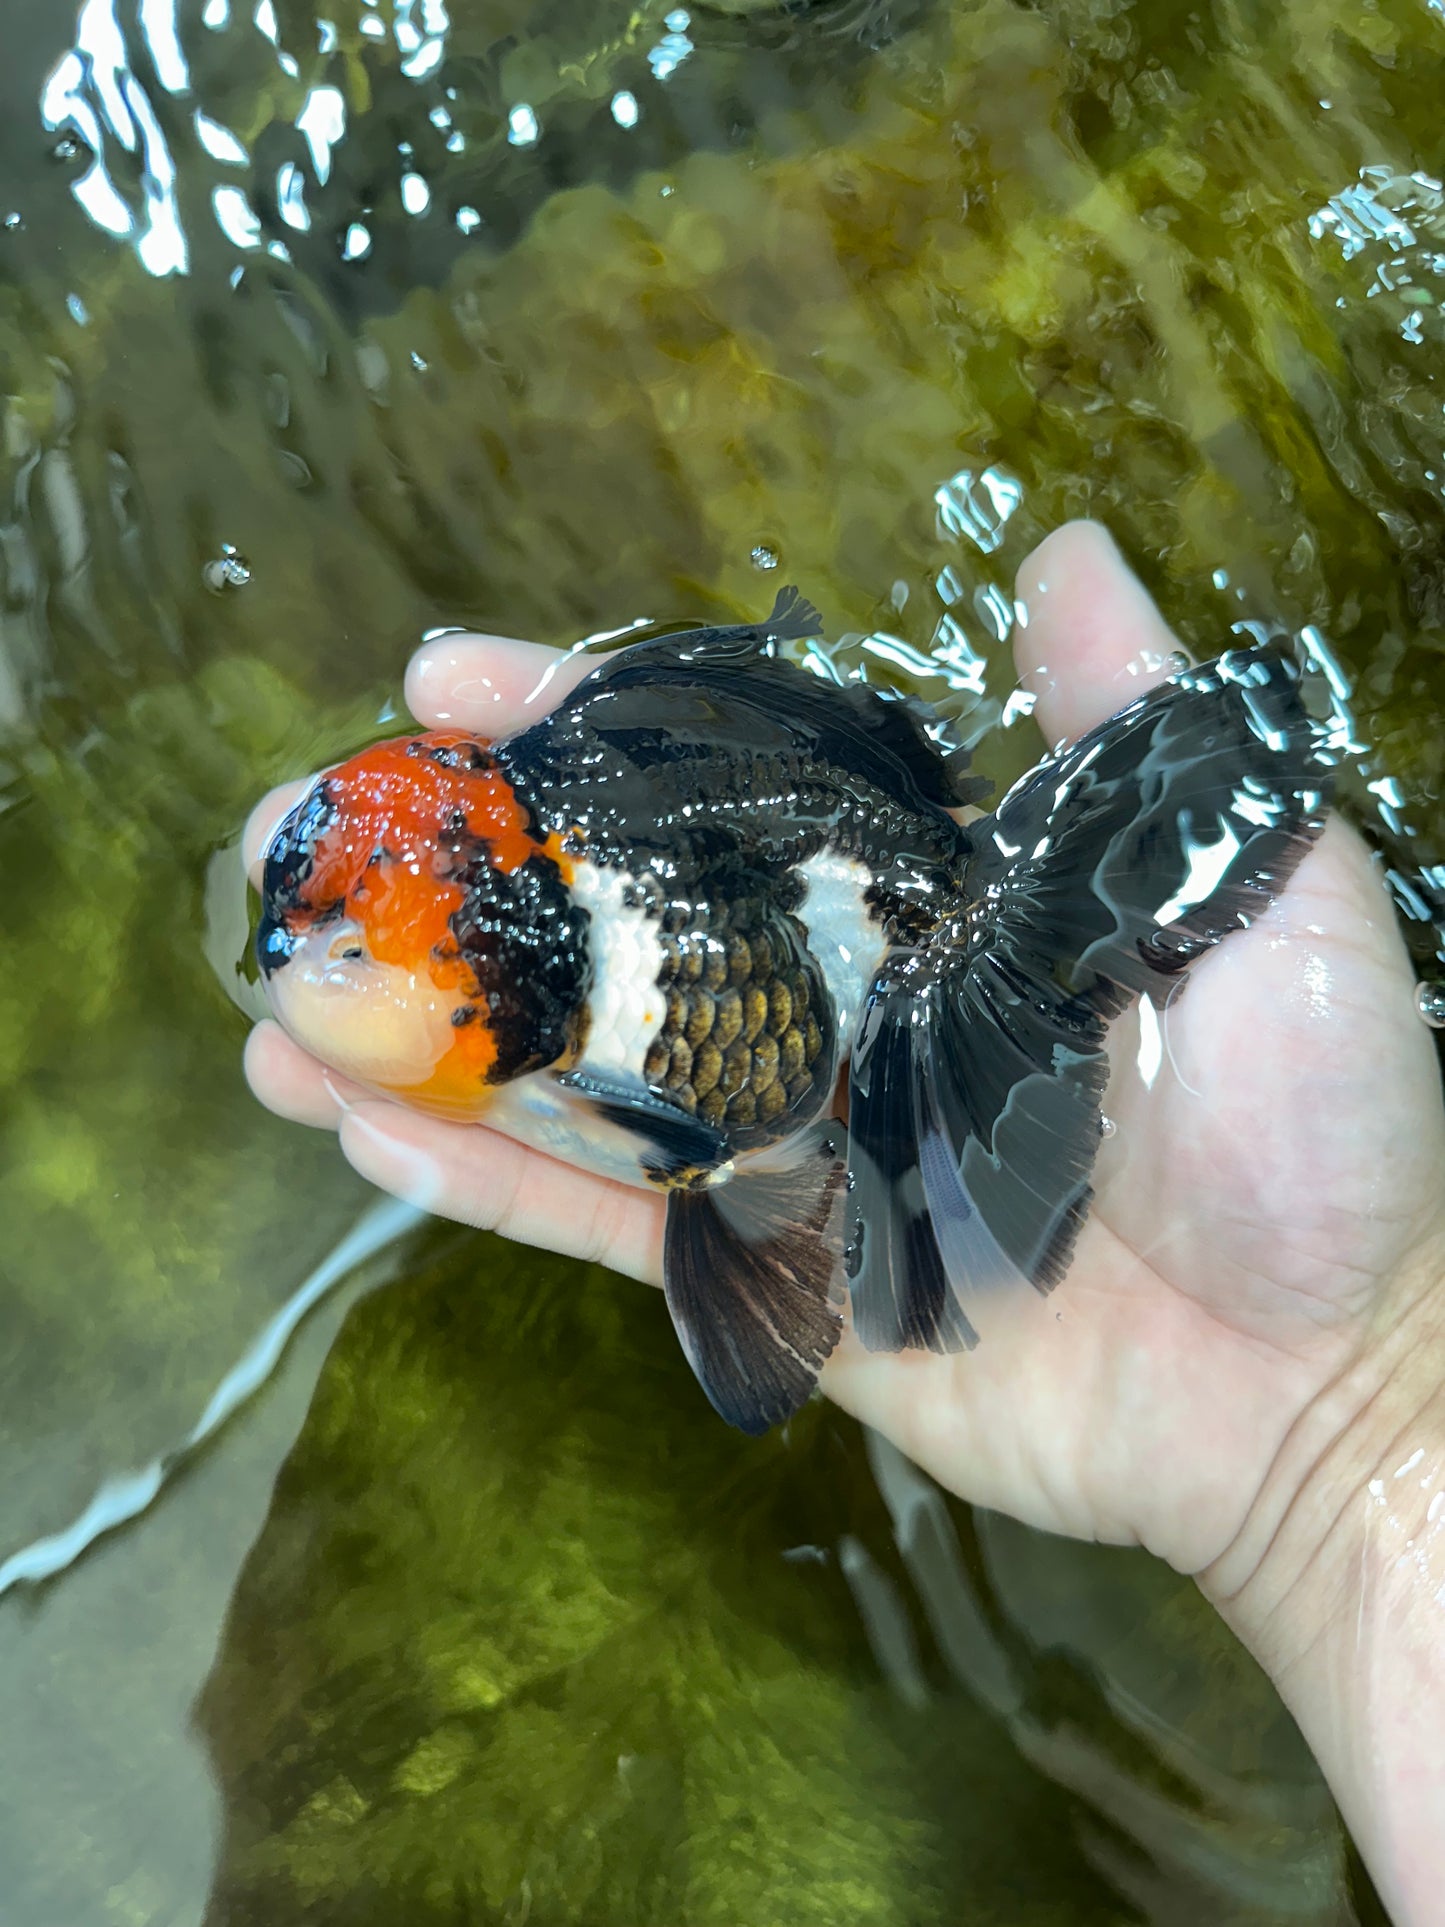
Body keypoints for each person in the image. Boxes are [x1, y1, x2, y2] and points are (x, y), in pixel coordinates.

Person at [244, 522, 1445, 1925]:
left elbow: (707, 1141)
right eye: (305, 939)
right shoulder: (543, 958)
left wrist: (1370, 1421)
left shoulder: (588, 980)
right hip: (766, 1036)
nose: (292, 972)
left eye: (340, 949)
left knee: (735, 1141)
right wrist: (1359, 1442)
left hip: (823, 997)